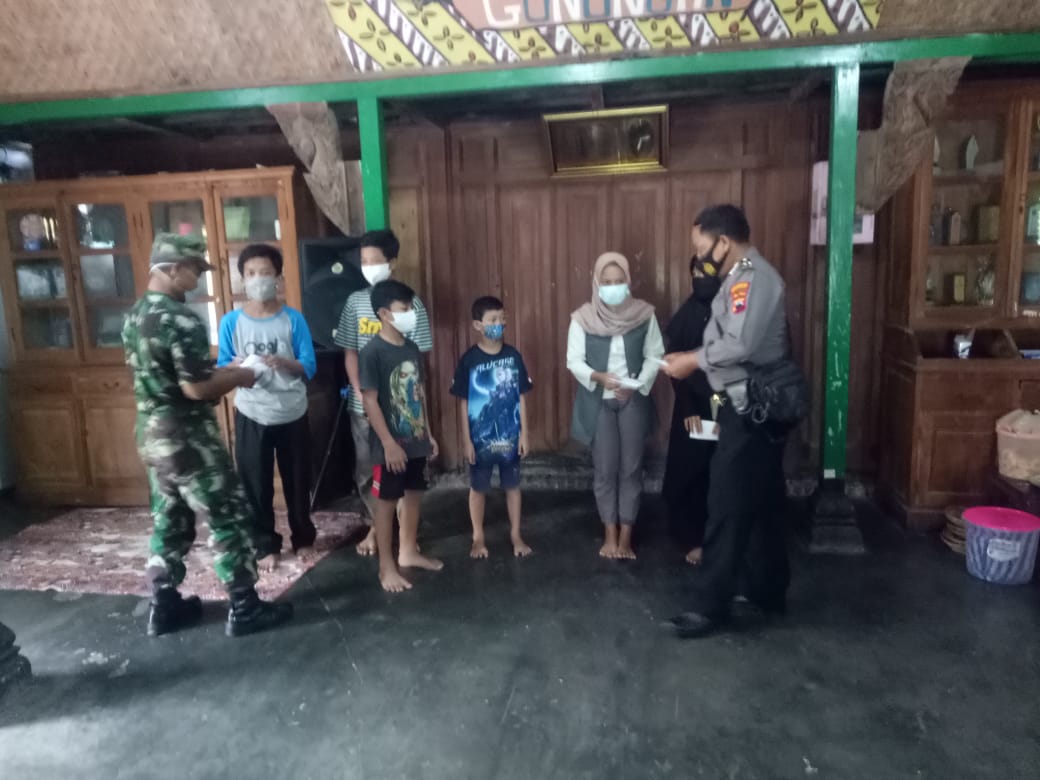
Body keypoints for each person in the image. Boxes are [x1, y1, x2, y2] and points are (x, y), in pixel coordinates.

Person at [122, 233, 293, 638]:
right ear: (171, 269)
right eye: (194, 270)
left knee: (170, 516)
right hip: (189, 438)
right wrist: (243, 376)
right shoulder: (180, 318)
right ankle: (245, 606)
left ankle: (164, 604)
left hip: (152, 435)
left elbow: (176, 376)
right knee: (227, 514)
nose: (197, 278)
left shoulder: (134, 316)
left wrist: (226, 371)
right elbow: (196, 389)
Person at [661, 205, 792, 639]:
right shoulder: (737, 278)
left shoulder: (754, 279)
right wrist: (689, 357)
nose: (700, 258)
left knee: (726, 502)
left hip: (750, 409)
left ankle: (709, 606)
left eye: (702, 247)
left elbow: (740, 344)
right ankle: (767, 590)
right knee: (764, 503)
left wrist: (691, 360)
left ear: (723, 242)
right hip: (746, 406)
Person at [217, 243, 318, 572]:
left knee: (297, 480)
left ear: (278, 278)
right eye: (251, 273)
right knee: (255, 483)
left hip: (291, 410)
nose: (258, 279)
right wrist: (237, 369)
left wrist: (284, 363)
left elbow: (309, 365)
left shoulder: (293, 319)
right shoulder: (231, 322)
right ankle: (265, 545)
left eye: (265, 273)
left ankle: (303, 538)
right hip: (252, 412)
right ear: (243, 279)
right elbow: (223, 367)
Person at [334, 229, 433, 557]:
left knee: (406, 471)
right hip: (365, 404)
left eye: (374, 260)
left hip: (403, 407)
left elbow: (418, 359)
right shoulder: (354, 302)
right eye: (363, 261)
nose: (368, 266)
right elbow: (349, 351)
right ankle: (376, 528)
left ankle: (405, 536)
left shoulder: (410, 305)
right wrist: (361, 393)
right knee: (369, 471)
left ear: (392, 262)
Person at [566, 252, 664, 560]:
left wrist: (636, 385)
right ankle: (609, 533)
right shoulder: (583, 318)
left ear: (628, 281)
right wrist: (598, 377)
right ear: (596, 283)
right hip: (599, 403)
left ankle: (626, 537)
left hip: (632, 400)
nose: (613, 287)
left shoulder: (644, 315)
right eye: (606, 282)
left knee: (631, 469)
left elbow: (655, 355)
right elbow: (574, 361)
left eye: (619, 281)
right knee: (605, 470)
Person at [358, 279, 443, 592]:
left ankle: (408, 551)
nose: (411, 314)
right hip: (390, 445)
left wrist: (428, 433)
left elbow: (419, 393)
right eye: (404, 309)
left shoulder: (411, 348)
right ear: (384, 313)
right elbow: (370, 401)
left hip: (416, 439)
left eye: (411, 308)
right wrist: (388, 443)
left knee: (415, 494)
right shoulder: (372, 352)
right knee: (386, 502)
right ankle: (386, 567)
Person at [451, 296, 533, 559]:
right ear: (478, 325)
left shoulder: (513, 356)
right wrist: (466, 441)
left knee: (513, 486)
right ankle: (478, 537)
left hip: (510, 438)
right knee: (478, 488)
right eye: (493, 319)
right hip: (480, 441)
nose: (500, 323)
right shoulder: (469, 360)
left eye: (502, 318)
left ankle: (516, 535)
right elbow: (463, 402)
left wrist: (524, 434)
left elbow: (521, 396)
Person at [662, 252, 722, 565]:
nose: (701, 278)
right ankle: (692, 538)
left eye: (708, 272)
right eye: (695, 273)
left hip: (726, 406)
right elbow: (674, 366)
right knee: (691, 474)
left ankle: (720, 539)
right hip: (692, 409)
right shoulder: (688, 313)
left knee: (721, 474)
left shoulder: (733, 312)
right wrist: (689, 409)